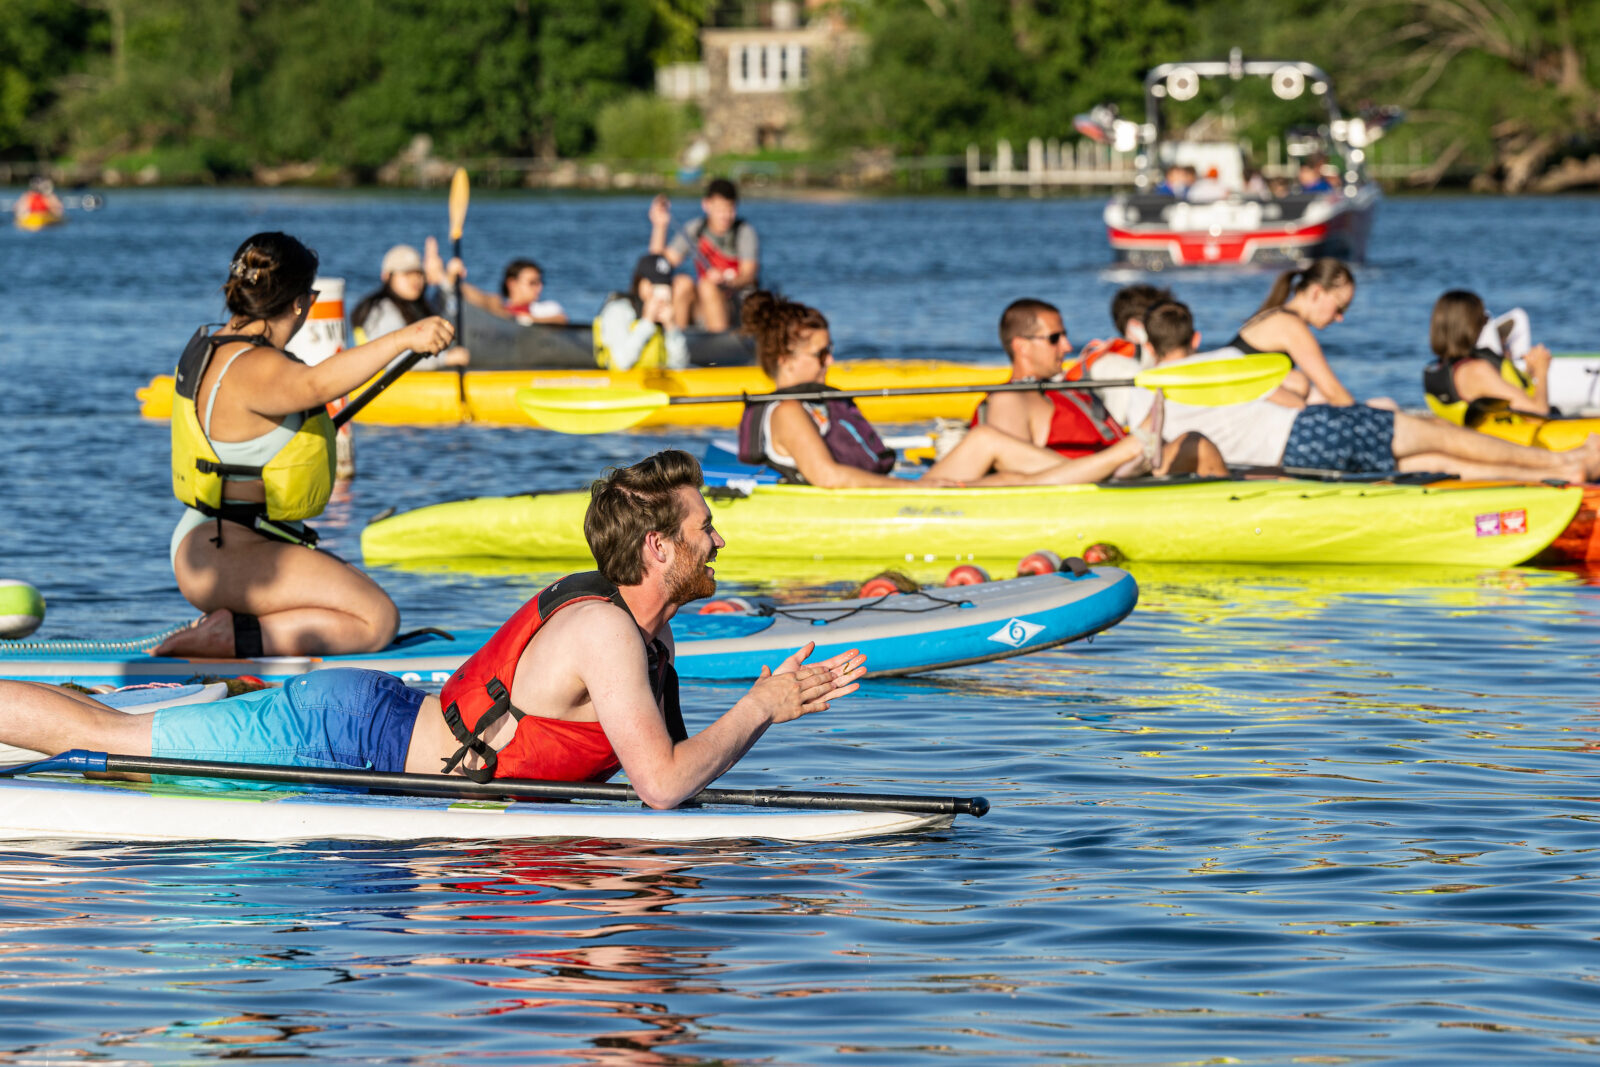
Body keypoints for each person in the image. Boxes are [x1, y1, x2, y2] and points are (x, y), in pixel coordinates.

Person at [0, 452, 866, 811]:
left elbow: (673, 782)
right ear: (656, 546)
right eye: (705, 525)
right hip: (336, 736)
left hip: (380, 727)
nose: (720, 538)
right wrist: (762, 705)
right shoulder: (606, 629)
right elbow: (663, 788)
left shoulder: (653, 631)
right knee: (105, 737)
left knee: (108, 721)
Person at [157, 232, 456, 659]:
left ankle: (240, 629)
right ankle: (229, 637)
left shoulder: (212, 345)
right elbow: (315, 383)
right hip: (226, 552)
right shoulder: (252, 366)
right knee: (377, 620)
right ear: (299, 302)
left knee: (362, 610)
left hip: (222, 543)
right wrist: (403, 339)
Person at [1127, 300, 1600, 483]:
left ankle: (1546, 478)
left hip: (1292, 461)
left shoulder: (1140, 399)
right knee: (1436, 434)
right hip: (1307, 431)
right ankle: (1562, 463)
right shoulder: (1216, 363)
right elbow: (1290, 391)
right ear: (1193, 340)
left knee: (1426, 463)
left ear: (1146, 345)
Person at [735, 291, 1148, 488]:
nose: (830, 362)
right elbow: (829, 477)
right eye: (821, 354)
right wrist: (917, 487)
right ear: (785, 358)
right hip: (877, 504)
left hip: (886, 494)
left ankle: (1106, 467)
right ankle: (1122, 457)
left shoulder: (811, 404)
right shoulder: (787, 411)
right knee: (986, 443)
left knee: (1000, 470)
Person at [972, 298, 1227, 477]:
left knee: (1195, 444)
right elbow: (1018, 476)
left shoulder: (1064, 390)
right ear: (1021, 346)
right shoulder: (1011, 398)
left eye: (1064, 336)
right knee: (1198, 446)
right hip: (1100, 487)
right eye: (1054, 338)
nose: (1068, 346)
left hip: (1125, 472)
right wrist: (1106, 466)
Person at [1231, 258, 1376, 408]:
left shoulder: (1273, 315)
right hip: (1236, 407)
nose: (1340, 318)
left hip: (1236, 401)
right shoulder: (1289, 325)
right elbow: (1334, 392)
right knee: (1300, 383)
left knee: (1307, 390)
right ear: (1317, 292)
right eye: (1340, 307)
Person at [648, 179, 759, 332]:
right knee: (682, 283)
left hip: (733, 303)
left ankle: (719, 344)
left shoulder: (744, 232)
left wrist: (726, 281)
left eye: (730, 209)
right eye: (720, 210)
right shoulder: (696, 229)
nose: (726, 216)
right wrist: (660, 226)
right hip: (703, 305)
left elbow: (749, 275)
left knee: (707, 286)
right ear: (706, 205)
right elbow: (659, 265)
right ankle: (676, 339)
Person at [1422, 290, 1552, 420]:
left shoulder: (1438, 369)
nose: (1485, 324)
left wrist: (1529, 372)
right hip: (1506, 438)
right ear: (1470, 326)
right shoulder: (1477, 371)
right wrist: (1542, 370)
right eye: (1483, 320)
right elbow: (1537, 416)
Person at [350, 244, 470, 369]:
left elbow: (438, 308)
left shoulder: (411, 306)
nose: (415, 280)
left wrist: (447, 279)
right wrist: (447, 358)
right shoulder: (383, 310)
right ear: (386, 276)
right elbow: (395, 360)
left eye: (418, 274)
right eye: (407, 274)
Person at [425, 240, 568, 325]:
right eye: (532, 283)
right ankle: (445, 280)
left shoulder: (544, 308)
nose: (539, 287)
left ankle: (444, 280)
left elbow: (560, 320)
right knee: (493, 302)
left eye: (540, 282)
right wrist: (448, 280)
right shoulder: (498, 304)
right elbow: (483, 300)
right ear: (512, 283)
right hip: (501, 317)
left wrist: (525, 320)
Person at [593, 254, 690, 371]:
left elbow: (679, 366)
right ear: (640, 283)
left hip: (654, 382)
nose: (659, 293)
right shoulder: (619, 310)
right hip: (621, 383)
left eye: (665, 286)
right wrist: (647, 321)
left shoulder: (664, 317)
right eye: (653, 285)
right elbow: (621, 363)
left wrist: (671, 327)